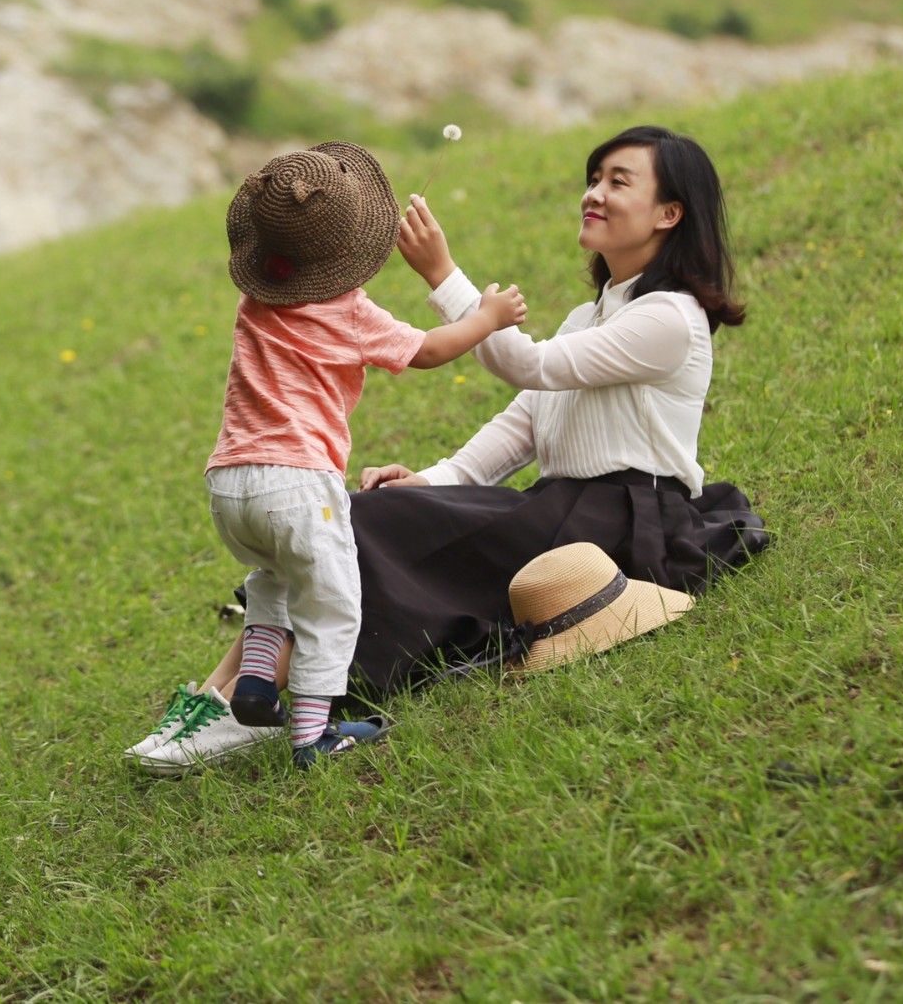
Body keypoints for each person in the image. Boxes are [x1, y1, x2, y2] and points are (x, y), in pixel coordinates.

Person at [131, 125, 772, 773]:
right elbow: (526, 421)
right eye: (594, 178)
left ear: (670, 213)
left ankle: (239, 709)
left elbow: (529, 366)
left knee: (349, 528)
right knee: (343, 516)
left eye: (618, 181)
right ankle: (220, 699)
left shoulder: (670, 317)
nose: (594, 193)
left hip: (626, 517)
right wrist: (437, 480)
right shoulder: (592, 317)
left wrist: (444, 275)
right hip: (563, 505)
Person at [138, 140, 527, 772]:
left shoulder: (255, 304)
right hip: (297, 482)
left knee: (274, 581)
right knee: (333, 602)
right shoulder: (347, 311)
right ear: (353, 253)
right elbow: (426, 351)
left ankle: (259, 687)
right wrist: (487, 316)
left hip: (230, 484)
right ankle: (313, 736)